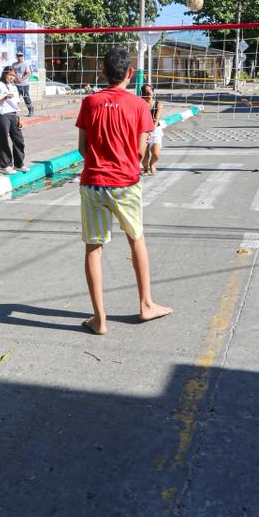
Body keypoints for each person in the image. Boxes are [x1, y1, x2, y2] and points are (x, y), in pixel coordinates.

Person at [76, 46, 172, 335]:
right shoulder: (140, 106)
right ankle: (146, 304)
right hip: (126, 183)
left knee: (94, 248)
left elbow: (82, 148)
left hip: (93, 182)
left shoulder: (90, 102)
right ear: (130, 73)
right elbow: (140, 150)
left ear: (103, 71)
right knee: (136, 240)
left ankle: (99, 318)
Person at [0, 66, 25, 175]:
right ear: (4, 74)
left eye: (13, 76)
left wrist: (19, 117)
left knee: (19, 140)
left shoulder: (14, 87)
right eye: (10, 75)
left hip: (13, 115)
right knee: (3, 141)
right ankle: (6, 165)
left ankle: (19, 164)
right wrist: (5, 98)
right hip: (3, 115)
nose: (12, 77)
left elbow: (17, 104)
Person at [141, 83, 164, 175]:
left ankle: (152, 164)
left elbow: (156, 119)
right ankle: (146, 168)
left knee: (156, 154)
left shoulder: (158, 104)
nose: (148, 92)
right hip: (143, 130)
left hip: (155, 130)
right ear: (142, 93)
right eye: (146, 91)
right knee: (144, 155)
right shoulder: (140, 104)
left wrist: (151, 131)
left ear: (153, 92)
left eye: (150, 90)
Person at [10, 51, 35, 117]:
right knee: (14, 99)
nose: (19, 57)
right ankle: (13, 112)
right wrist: (15, 79)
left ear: (22, 57)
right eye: (18, 56)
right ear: (16, 57)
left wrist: (22, 78)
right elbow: (12, 73)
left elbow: (28, 73)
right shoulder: (14, 65)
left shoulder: (25, 64)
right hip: (16, 85)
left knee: (26, 98)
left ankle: (31, 110)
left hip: (24, 85)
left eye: (20, 56)